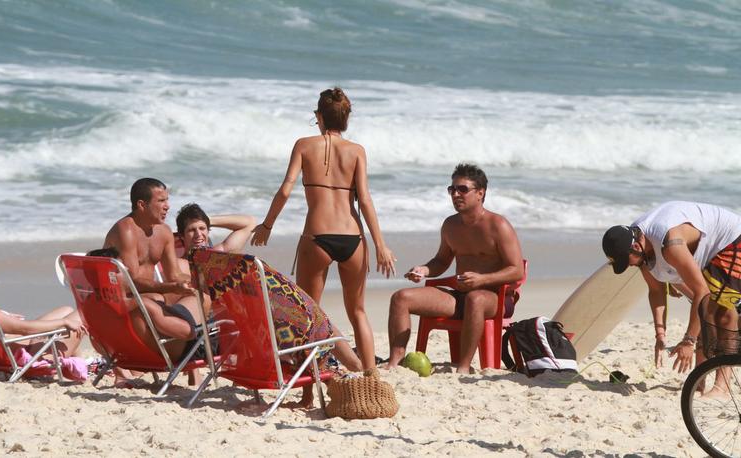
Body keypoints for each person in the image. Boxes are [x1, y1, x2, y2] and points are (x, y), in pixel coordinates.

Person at [251, 87, 395, 371]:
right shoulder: (357, 151)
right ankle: (372, 379)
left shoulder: (304, 145)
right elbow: (364, 200)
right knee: (358, 312)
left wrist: (267, 225)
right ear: (346, 119)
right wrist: (380, 245)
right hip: (353, 237)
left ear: (319, 116)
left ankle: (308, 392)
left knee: (308, 315)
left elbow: (285, 189)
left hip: (317, 237)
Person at [176, 203, 362, 407]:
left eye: (202, 229)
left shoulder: (213, 258)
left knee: (310, 325)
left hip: (255, 330)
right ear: (182, 236)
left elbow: (249, 222)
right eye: (191, 230)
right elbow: (247, 222)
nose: (198, 234)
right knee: (316, 325)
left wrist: (205, 218)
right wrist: (205, 221)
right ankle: (357, 373)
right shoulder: (196, 263)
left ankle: (340, 380)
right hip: (262, 331)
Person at [387, 163, 524, 374]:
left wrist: (481, 280)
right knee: (401, 298)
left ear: (480, 193)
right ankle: (395, 363)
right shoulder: (451, 225)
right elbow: (441, 261)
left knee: (476, 298)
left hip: (496, 298)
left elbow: (516, 271)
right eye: (452, 189)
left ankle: (463, 366)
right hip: (461, 296)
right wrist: (424, 270)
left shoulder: (498, 225)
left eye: (463, 189)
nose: (456, 194)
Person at [602, 201, 741, 395]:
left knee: (720, 309)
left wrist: (688, 341)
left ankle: (723, 385)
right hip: (706, 250)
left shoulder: (669, 243)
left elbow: (702, 293)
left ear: (636, 246)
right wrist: (660, 335)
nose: (630, 266)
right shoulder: (638, 244)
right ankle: (699, 380)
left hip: (732, 239)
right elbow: (656, 291)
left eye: (627, 261)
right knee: (703, 313)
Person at [103, 178, 205, 384]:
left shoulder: (164, 231)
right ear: (142, 205)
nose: (167, 206)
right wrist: (172, 287)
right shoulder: (126, 230)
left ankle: (194, 363)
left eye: (167, 200)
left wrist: (205, 281)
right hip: (131, 312)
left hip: (149, 305)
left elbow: (174, 275)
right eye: (161, 201)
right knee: (182, 301)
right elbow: (132, 281)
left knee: (204, 293)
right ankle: (194, 351)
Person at [0, 279, 87, 379]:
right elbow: (26, 329)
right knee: (81, 315)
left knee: (66, 310)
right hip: (29, 363)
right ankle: (80, 365)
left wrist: (5, 318)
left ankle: (80, 362)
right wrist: (64, 322)